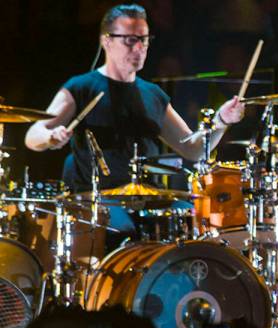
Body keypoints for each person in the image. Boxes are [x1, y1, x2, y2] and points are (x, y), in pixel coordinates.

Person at [25, 3, 244, 193]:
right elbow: (33, 135)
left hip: (147, 199)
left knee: (189, 224)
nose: (140, 47)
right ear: (106, 41)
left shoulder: (153, 94)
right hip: (99, 204)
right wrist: (51, 136)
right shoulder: (82, 87)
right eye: (131, 40)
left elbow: (193, 149)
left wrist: (221, 121)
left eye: (144, 40)